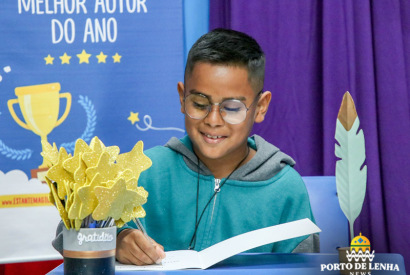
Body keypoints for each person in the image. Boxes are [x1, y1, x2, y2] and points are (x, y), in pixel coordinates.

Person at [52, 28, 318, 265]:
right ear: (182, 97)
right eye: (200, 104)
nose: (213, 121)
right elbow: (69, 234)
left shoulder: (285, 189)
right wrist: (116, 240)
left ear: (260, 107)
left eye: (232, 108)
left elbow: (307, 267)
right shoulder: (144, 171)